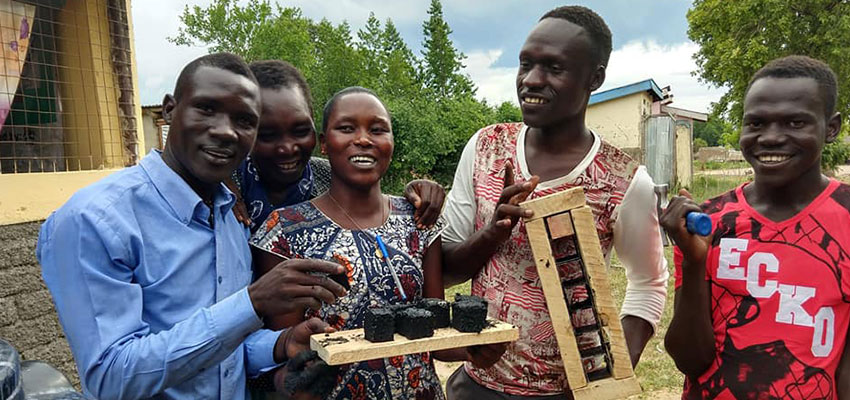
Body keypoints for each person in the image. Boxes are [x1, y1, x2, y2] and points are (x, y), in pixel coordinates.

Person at [36, 53, 347, 400]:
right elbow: (112, 376)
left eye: (244, 120)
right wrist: (253, 302)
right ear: (169, 109)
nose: (225, 131)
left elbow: (224, 350)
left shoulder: (230, 217)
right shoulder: (94, 219)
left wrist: (282, 344)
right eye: (206, 109)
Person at [440, 6, 668, 399]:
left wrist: (611, 373)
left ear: (595, 77)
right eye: (525, 64)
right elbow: (445, 268)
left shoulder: (624, 181)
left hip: (565, 393)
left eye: (554, 68)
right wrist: (492, 234)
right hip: (476, 387)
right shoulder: (486, 149)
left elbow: (648, 283)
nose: (531, 80)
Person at [251, 87, 507, 400]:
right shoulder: (285, 231)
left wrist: (474, 348)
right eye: (346, 128)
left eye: (377, 129)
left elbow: (435, 336)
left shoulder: (420, 221)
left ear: (391, 141)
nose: (363, 139)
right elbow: (283, 351)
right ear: (323, 143)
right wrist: (290, 383)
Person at [663, 55, 850, 399]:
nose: (771, 138)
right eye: (756, 124)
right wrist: (694, 263)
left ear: (832, 127)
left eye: (795, 123)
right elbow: (690, 360)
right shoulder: (707, 223)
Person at [229, 60, 445, 233]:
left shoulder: (329, 175)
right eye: (267, 135)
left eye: (301, 131)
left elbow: (372, 198)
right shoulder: (224, 190)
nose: (287, 148)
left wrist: (414, 194)